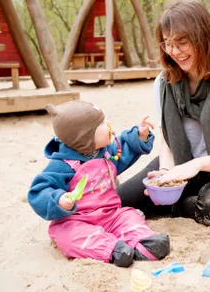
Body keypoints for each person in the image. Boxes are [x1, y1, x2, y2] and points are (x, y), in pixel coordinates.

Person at [117, 0, 210, 229]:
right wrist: (165, 172)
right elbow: (167, 140)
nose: (174, 52)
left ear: (203, 37)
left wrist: (196, 165)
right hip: (177, 165)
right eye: (167, 43)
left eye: (182, 43)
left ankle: (171, 205)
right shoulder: (163, 83)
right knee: (119, 200)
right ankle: (171, 199)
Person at [27, 100, 170, 267]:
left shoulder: (106, 153)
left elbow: (122, 148)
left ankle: (144, 243)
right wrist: (58, 199)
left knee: (129, 217)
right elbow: (39, 190)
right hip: (77, 220)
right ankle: (112, 250)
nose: (108, 124)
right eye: (102, 124)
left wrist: (139, 136)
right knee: (69, 236)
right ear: (85, 138)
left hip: (110, 214)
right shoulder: (62, 164)